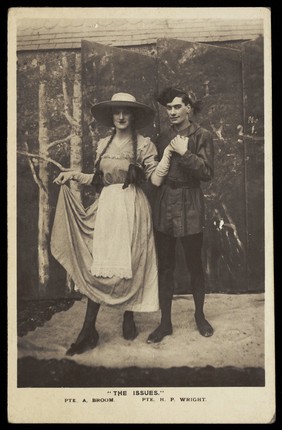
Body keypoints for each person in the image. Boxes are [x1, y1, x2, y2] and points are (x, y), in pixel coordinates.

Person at [51, 92, 173, 356]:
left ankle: (128, 315)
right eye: (116, 112)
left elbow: (155, 180)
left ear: (133, 116)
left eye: (125, 112)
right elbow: (98, 179)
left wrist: (168, 156)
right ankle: (88, 330)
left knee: (130, 262)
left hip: (132, 206)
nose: (120, 116)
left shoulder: (144, 145)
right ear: (111, 116)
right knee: (102, 266)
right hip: (108, 206)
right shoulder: (103, 144)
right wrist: (71, 175)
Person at [147, 87, 214, 344]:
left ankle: (200, 315)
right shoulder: (162, 136)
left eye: (177, 107)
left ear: (188, 107)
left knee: (194, 263)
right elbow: (156, 173)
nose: (172, 112)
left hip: (190, 204)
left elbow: (207, 173)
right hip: (165, 204)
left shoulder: (202, 135)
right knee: (165, 267)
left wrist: (185, 153)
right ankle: (165, 323)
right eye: (169, 108)